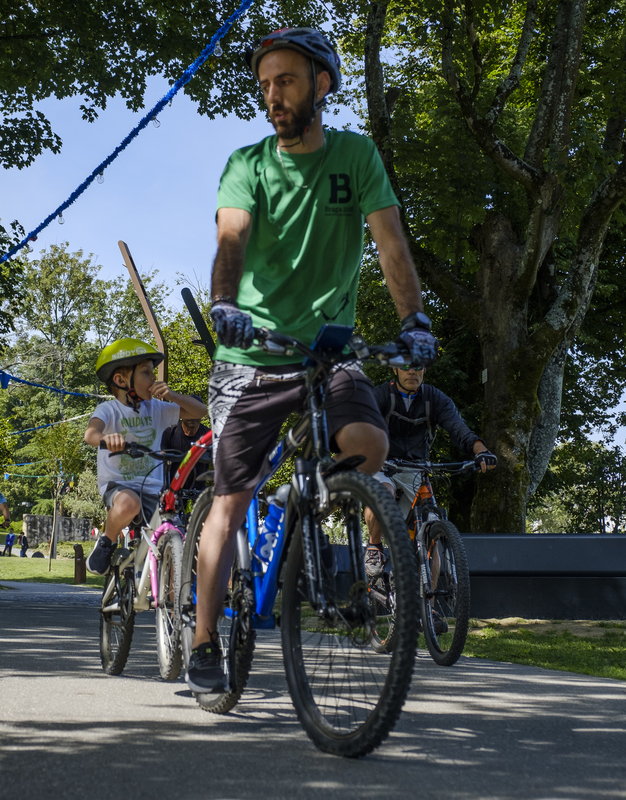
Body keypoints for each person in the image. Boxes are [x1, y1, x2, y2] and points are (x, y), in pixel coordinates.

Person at [186, 27, 438, 695]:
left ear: (322, 84)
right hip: (252, 354)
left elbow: (390, 246)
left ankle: (320, 501)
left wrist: (414, 319)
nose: (272, 94)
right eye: (265, 83)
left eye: (287, 80)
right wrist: (224, 302)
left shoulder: (354, 157)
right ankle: (204, 639)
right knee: (229, 505)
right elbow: (231, 238)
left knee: (368, 442)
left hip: (327, 352)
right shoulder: (248, 164)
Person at [366, 363, 497, 632]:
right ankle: (374, 547)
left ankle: (427, 607)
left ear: (424, 369)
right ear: (394, 369)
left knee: (431, 536)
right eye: (405, 366)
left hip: (418, 469)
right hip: (383, 464)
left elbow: (458, 428)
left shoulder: (435, 398)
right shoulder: (380, 396)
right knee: (384, 492)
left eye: (417, 366)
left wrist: (480, 450)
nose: (411, 372)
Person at [83, 338, 208, 575]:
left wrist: (172, 395)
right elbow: (90, 433)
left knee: (176, 539)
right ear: (121, 380)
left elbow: (200, 411)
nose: (154, 379)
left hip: (153, 488)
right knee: (130, 503)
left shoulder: (157, 409)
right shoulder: (109, 410)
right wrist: (105, 438)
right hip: (119, 484)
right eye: (146, 373)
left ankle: (176, 608)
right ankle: (106, 542)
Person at [161, 414, 211, 490]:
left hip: (199, 487)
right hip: (174, 486)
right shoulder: (170, 433)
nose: (192, 416)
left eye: (196, 413)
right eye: (188, 412)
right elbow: (162, 458)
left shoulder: (208, 435)